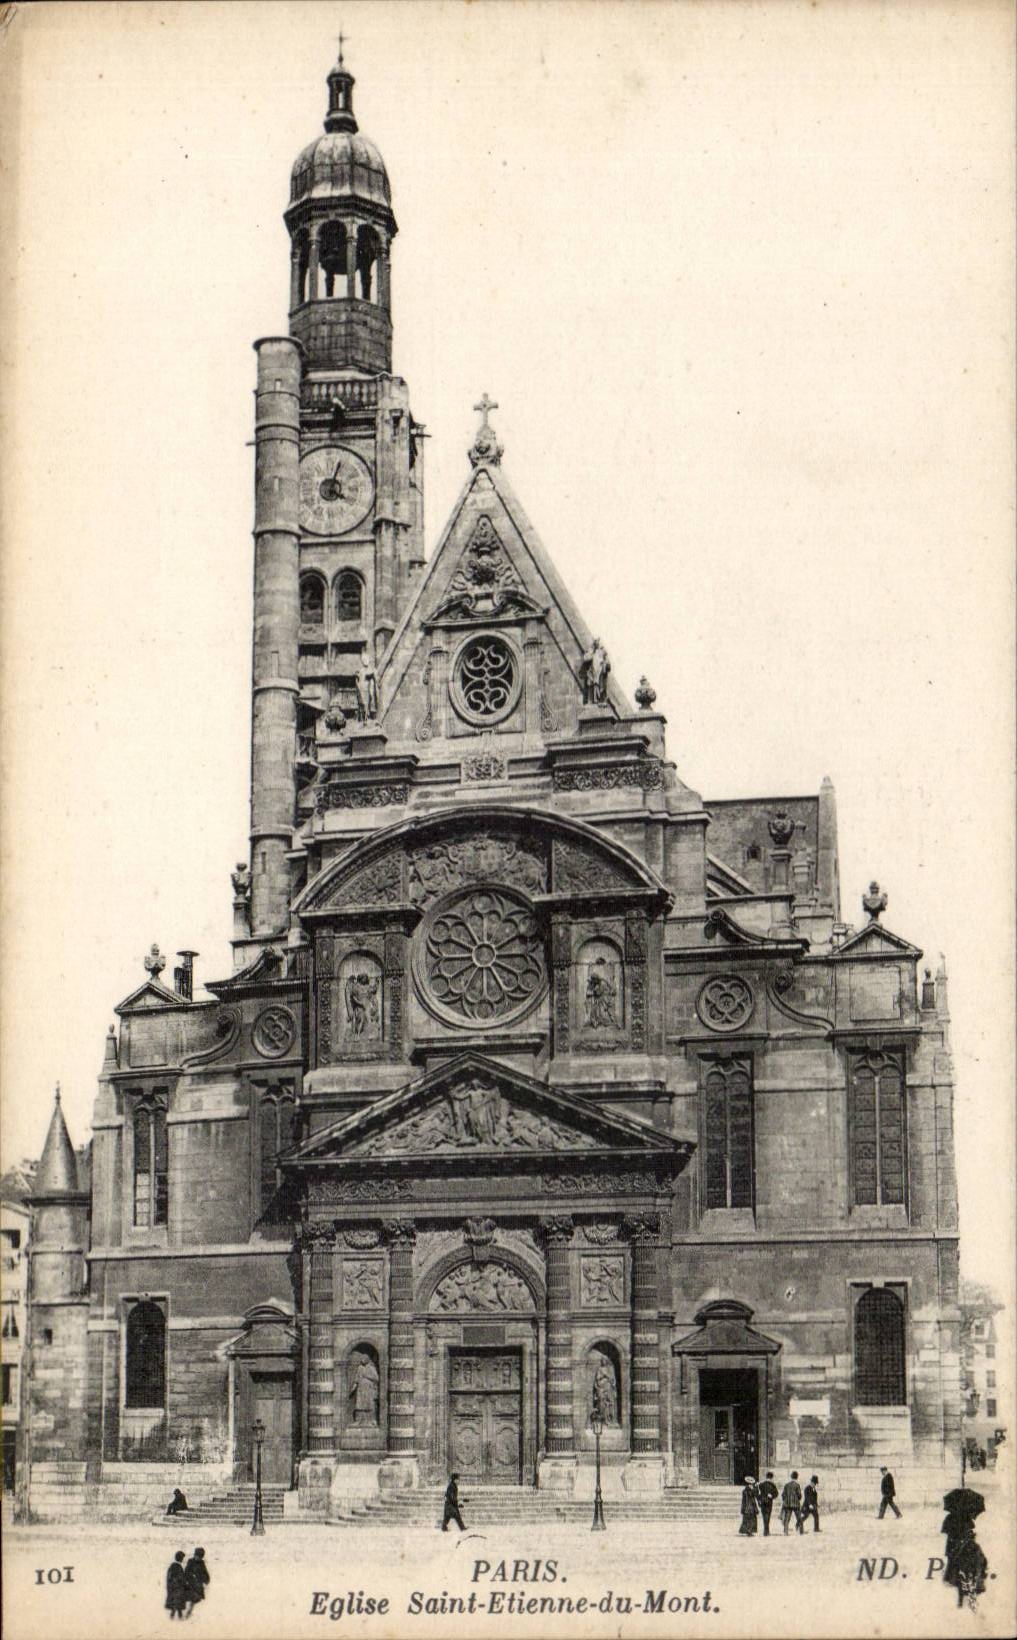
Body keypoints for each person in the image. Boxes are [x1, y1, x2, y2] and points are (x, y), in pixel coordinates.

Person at [183, 1547, 209, 1617]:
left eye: (200, 1557)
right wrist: (190, 1577)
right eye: (197, 1556)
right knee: (188, 1598)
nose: (198, 1558)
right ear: (195, 1555)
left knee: (194, 1600)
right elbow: (186, 1571)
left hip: (198, 1585)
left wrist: (206, 1580)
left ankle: (189, 1612)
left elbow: (205, 1573)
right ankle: (185, 1611)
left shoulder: (201, 1563)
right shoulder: (190, 1561)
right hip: (190, 1583)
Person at [165, 1551, 188, 1620]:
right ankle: (176, 1619)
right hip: (176, 1589)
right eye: (182, 1558)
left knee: (177, 1606)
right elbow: (175, 1577)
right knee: (176, 1606)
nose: (183, 1559)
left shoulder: (175, 1566)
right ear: (180, 1558)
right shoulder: (176, 1566)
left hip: (176, 1589)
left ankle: (177, 1618)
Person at [781, 1470, 803, 1535]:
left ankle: (786, 1532)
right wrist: (798, 1499)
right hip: (796, 1504)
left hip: (787, 1504)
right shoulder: (797, 1485)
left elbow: (783, 1495)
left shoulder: (786, 1485)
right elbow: (799, 1495)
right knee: (799, 1518)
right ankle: (801, 1531)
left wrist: (785, 1500)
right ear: (797, 1477)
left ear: (791, 1477)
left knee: (787, 1518)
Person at [757, 1471, 778, 1536]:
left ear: (766, 1477)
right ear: (771, 1477)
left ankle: (766, 1531)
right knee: (768, 1516)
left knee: (764, 1516)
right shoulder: (773, 1485)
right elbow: (776, 1493)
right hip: (769, 1502)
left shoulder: (761, 1484)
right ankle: (766, 1531)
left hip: (763, 1502)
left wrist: (759, 1500)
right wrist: (772, 1496)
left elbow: (757, 1493)